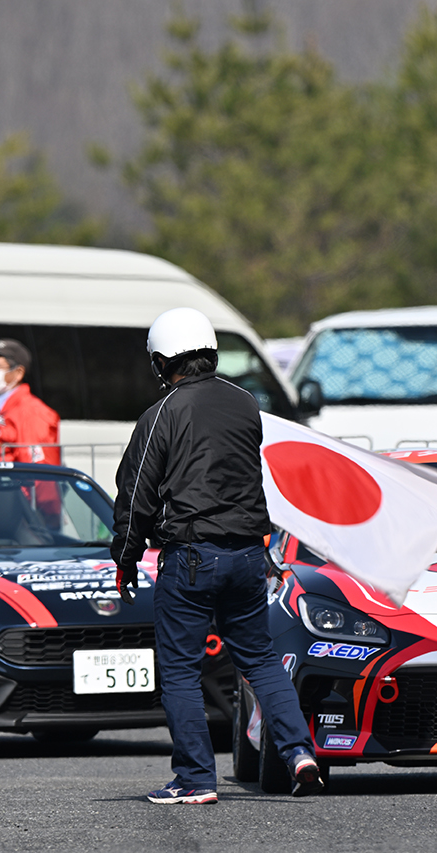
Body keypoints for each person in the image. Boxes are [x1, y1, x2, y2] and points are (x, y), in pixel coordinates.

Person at [110, 307, 322, 804]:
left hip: (191, 555)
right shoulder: (245, 403)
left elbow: (135, 490)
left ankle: (195, 779)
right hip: (250, 553)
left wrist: (125, 555)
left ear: (163, 361)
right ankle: (299, 753)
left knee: (180, 670)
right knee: (262, 661)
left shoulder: (162, 412)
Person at [0, 338, 61, 467]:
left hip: (14, 486)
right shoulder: (1, 407)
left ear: (18, 372)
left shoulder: (30, 411)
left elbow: (36, 471)